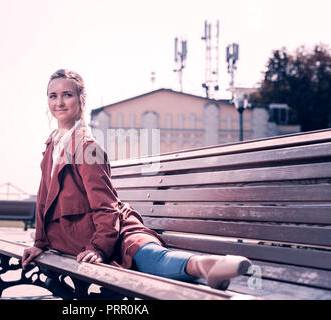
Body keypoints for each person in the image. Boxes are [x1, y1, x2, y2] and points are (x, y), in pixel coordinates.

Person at [22, 69, 251, 290]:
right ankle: (206, 268)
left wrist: (99, 248)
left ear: (81, 100)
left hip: (114, 233)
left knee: (149, 257)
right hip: (86, 237)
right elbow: (43, 200)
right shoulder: (53, 145)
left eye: (67, 95)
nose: (59, 102)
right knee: (148, 259)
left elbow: (107, 207)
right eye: (53, 96)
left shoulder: (86, 147)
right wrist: (39, 244)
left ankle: (209, 265)